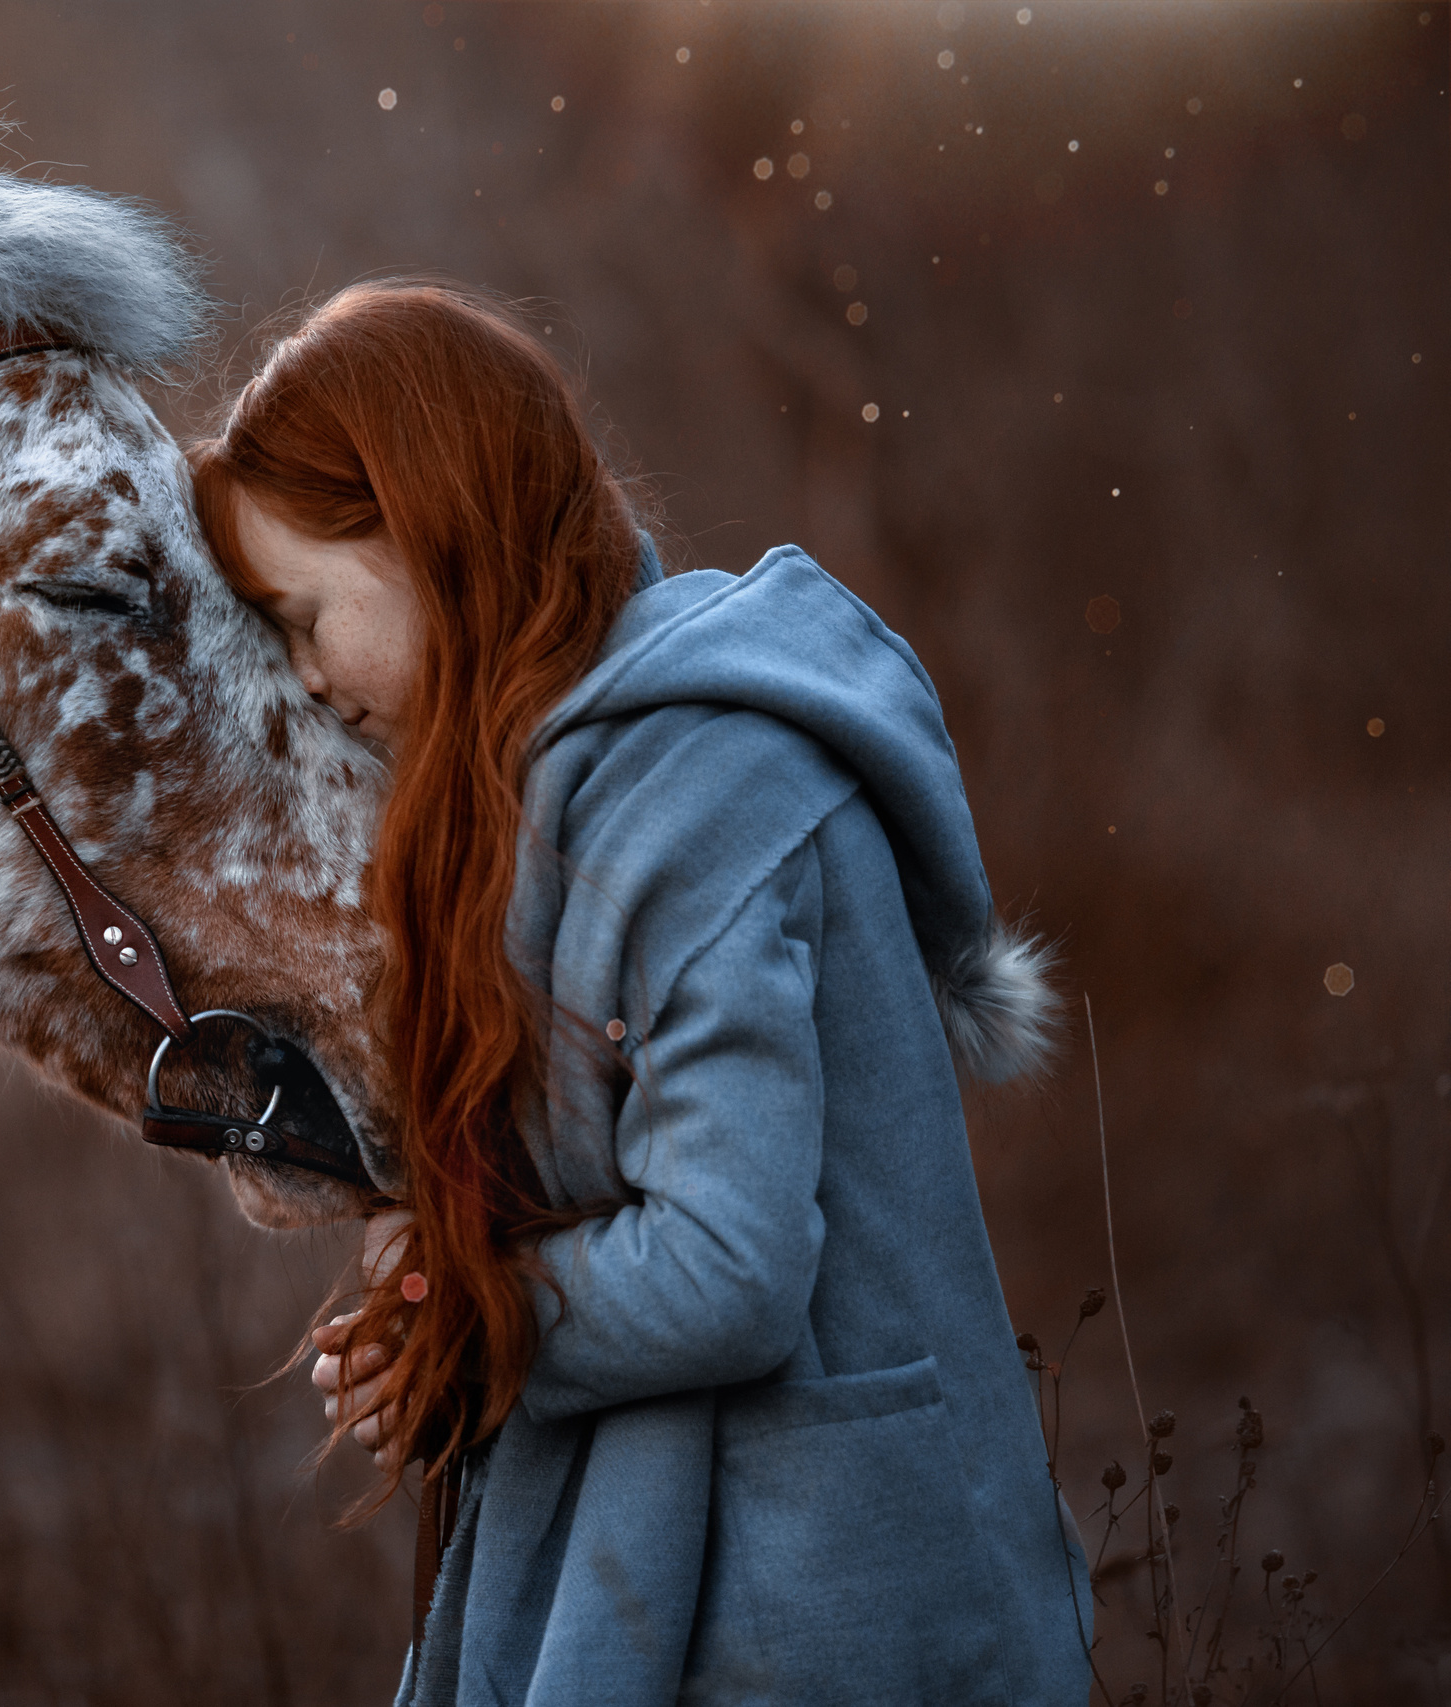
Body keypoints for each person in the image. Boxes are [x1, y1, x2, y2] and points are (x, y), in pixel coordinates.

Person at [186, 281, 1092, 1706]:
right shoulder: (539, 788)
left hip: (811, 1601)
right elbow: (593, 1187)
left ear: (428, 530)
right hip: (672, 1556)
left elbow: (730, 1268)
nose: (302, 677)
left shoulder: (699, 794)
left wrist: (475, 1322)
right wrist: (425, 1281)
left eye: (303, 616)